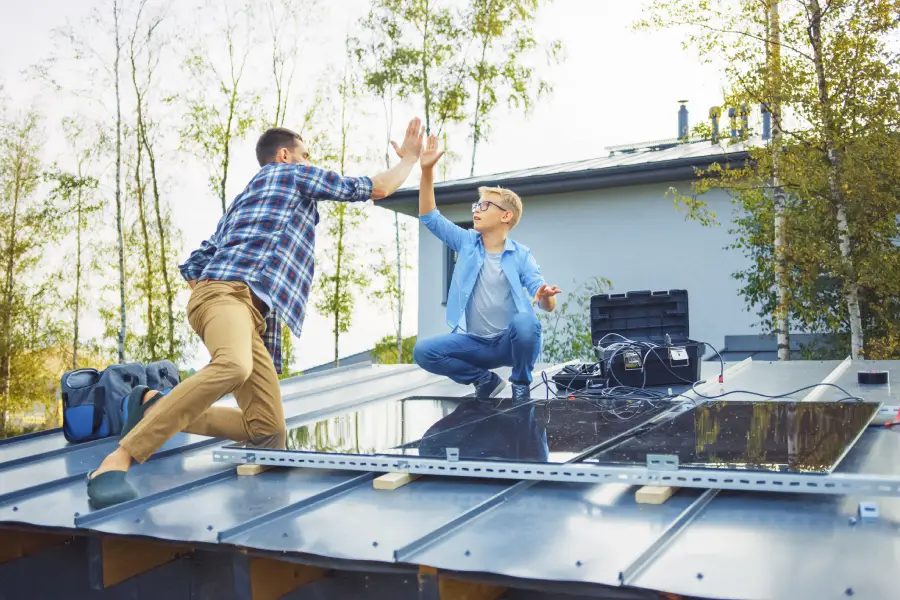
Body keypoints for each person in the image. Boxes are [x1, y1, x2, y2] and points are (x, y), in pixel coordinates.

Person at [86, 118, 426, 509]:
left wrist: (218, 297)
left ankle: (149, 405)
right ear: (284, 156)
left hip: (239, 307)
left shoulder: (246, 201)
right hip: (228, 296)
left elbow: (196, 262)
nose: (308, 161)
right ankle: (116, 462)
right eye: (304, 155)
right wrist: (411, 160)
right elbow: (377, 187)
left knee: (267, 433)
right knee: (233, 366)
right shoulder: (289, 176)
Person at [409, 135, 561, 402]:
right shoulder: (466, 242)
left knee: (526, 321)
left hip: (509, 343)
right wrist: (427, 171)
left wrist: (546, 296)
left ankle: (521, 383)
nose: (476, 210)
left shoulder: (521, 255)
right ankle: (485, 380)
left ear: (506, 216)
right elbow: (429, 217)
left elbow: (545, 301)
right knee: (423, 351)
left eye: (484, 205)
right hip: (474, 344)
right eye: (475, 205)